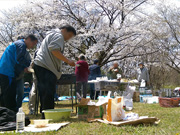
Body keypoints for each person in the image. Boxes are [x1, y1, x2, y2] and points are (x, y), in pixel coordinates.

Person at [33, 25, 76, 118]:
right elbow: (54, 50)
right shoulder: (59, 35)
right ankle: (49, 115)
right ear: (64, 30)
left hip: (40, 65)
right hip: (46, 66)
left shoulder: (51, 35)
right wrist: (68, 61)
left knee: (44, 92)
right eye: (69, 35)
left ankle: (45, 114)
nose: (69, 38)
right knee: (48, 92)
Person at [0, 35, 38, 112]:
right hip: (8, 71)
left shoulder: (17, 44)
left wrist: (23, 68)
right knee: (10, 94)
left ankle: (4, 113)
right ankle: (11, 113)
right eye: (33, 44)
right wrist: (27, 66)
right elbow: (19, 58)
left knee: (5, 93)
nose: (33, 47)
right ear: (29, 39)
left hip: (5, 70)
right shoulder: (21, 45)